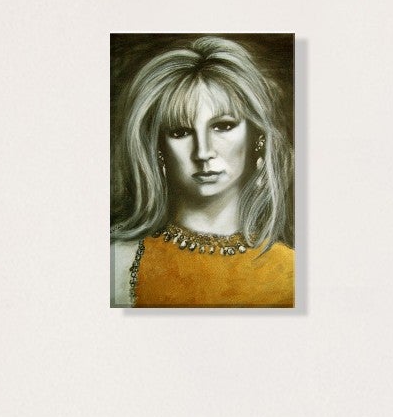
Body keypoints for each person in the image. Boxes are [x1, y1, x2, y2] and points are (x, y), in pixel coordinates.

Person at [109, 35, 295, 308]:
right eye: (180, 132)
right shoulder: (117, 263)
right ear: (159, 148)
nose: (203, 152)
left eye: (223, 126)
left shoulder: (293, 273)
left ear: (258, 138)